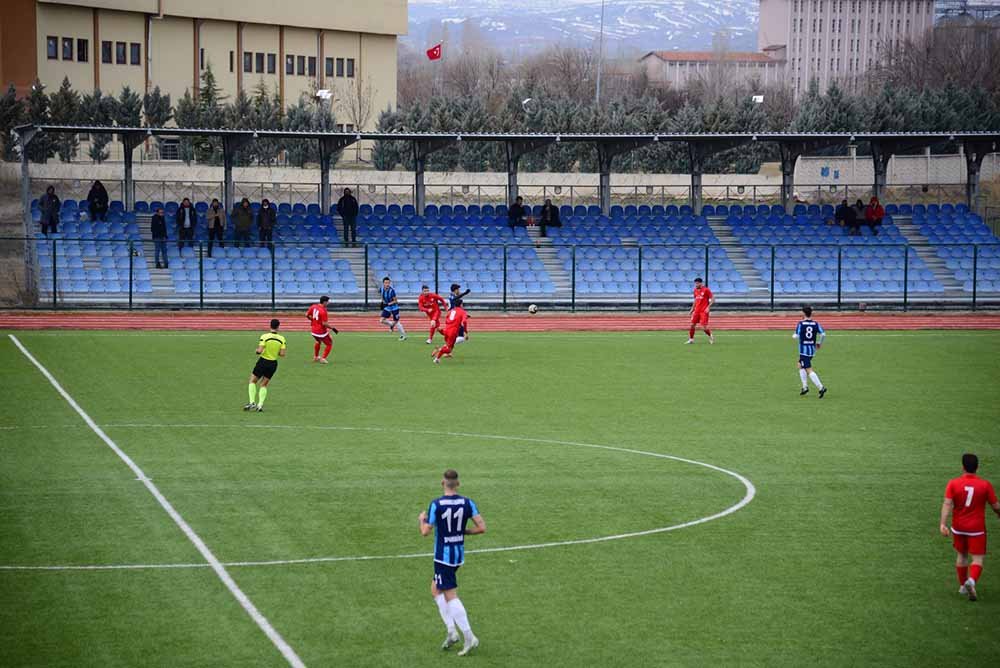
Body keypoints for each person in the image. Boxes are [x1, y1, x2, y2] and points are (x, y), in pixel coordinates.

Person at [418, 469, 486, 655]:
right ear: (458, 484)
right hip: (457, 555)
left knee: (450, 595)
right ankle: (451, 631)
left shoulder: (436, 504)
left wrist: (421, 520)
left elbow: (425, 531)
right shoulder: (467, 503)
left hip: (443, 557)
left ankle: (469, 636)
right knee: (435, 588)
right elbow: (481, 528)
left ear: (442, 483)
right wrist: (463, 532)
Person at [940, 453, 999, 602]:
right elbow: (995, 505)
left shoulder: (953, 483)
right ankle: (971, 581)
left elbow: (947, 503)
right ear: (977, 468)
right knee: (977, 559)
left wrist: (943, 523)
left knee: (962, 555)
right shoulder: (985, 485)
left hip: (958, 527)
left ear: (962, 467)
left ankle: (962, 585)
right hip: (977, 529)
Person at [245, 318, 286, 412]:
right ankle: (260, 405)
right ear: (278, 327)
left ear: (270, 325)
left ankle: (252, 402)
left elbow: (259, 351)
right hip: (273, 364)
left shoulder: (265, 336)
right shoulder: (282, 339)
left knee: (252, 381)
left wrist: (256, 351)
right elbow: (282, 354)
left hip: (263, 361)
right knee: (263, 385)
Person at [794, 305, 827, 398]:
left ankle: (821, 387)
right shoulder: (815, 323)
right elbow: (823, 334)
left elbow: (796, 335)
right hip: (811, 350)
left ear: (804, 313)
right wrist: (819, 343)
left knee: (808, 369)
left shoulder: (801, 323)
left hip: (803, 350)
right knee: (800, 365)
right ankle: (805, 387)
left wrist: (794, 336)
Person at [433, 298, 470, 364]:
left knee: (450, 346)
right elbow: (464, 321)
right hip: (453, 332)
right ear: (461, 305)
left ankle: (437, 359)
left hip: (446, 330)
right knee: (448, 350)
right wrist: (465, 332)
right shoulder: (463, 311)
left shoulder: (451, 311)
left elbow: (447, 318)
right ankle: (439, 350)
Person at [306, 295, 339, 364]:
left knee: (318, 342)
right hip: (321, 332)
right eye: (327, 302)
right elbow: (324, 324)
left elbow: (306, 315)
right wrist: (332, 328)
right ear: (324, 302)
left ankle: (316, 357)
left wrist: (312, 320)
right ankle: (323, 358)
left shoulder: (313, 306)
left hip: (313, 331)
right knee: (329, 344)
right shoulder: (323, 311)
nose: (328, 303)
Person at [685, 277, 714, 344]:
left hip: (704, 311)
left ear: (701, 283)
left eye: (697, 283)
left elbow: (713, 299)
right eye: (695, 283)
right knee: (692, 325)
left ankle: (710, 336)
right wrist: (692, 309)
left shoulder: (706, 290)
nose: (696, 285)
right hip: (696, 311)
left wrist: (708, 307)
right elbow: (695, 300)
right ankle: (691, 339)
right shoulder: (695, 290)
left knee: (704, 327)